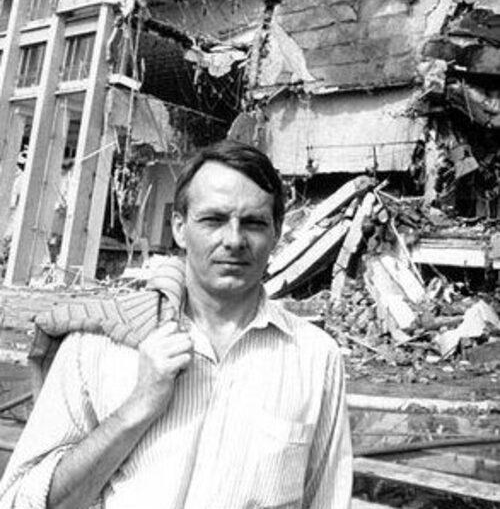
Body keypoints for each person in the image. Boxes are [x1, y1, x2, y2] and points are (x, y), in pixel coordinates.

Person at [0, 140, 352, 509]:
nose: (234, 240)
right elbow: (20, 501)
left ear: (277, 232)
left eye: (253, 223)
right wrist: (136, 408)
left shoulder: (315, 358)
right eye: (213, 220)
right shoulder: (99, 344)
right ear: (180, 228)